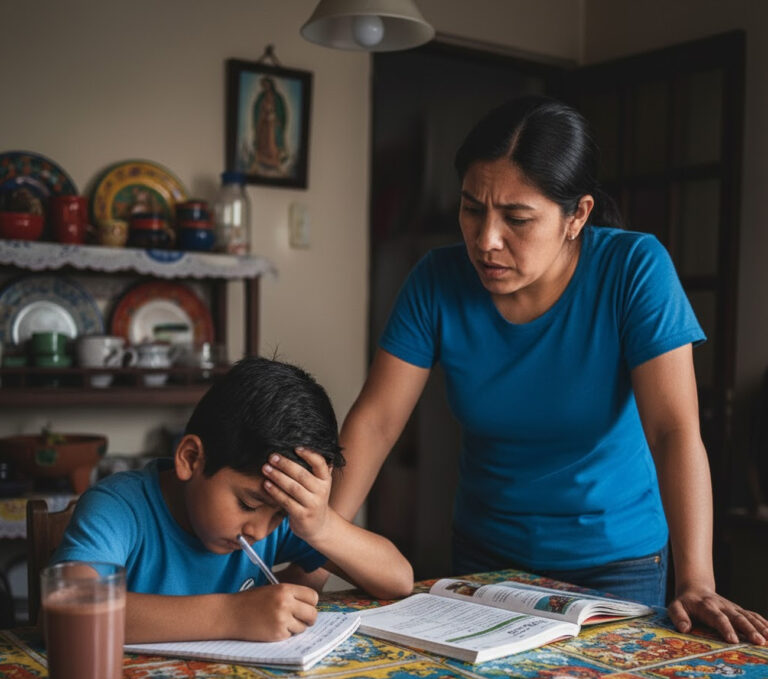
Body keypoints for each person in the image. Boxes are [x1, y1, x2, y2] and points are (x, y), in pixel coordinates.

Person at [322, 95, 768, 646]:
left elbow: (673, 431)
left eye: (516, 218)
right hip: (486, 559)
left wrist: (697, 578)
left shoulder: (634, 269)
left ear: (576, 215)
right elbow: (376, 423)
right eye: (471, 208)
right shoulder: (436, 279)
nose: (486, 240)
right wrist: (317, 544)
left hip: (615, 562)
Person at [52, 357, 413, 644]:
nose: (259, 530)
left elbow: (398, 580)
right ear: (191, 458)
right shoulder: (118, 509)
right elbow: (69, 607)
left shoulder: (275, 520)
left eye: (278, 515)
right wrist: (231, 615)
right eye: (248, 504)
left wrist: (321, 526)